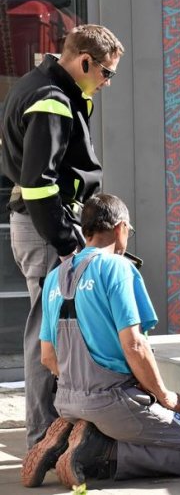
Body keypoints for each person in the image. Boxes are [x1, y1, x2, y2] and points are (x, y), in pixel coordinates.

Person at [21, 193, 180, 488]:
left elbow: (47, 357)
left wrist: (81, 387)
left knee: (129, 428)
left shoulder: (54, 278)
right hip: (112, 401)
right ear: (121, 227)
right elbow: (135, 346)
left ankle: (77, 440)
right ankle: (98, 452)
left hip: (67, 401)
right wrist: (165, 397)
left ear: (86, 229)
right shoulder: (118, 268)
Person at [1, 24, 124, 449]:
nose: (106, 83)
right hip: (47, 230)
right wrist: (69, 244)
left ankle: (51, 431)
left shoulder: (40, 87)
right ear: (84, 61)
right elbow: (38, 184)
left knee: (54, 328)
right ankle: (42, 438)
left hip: (42, 226)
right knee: (47, 331)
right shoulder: (52, 100)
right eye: (106, 73)